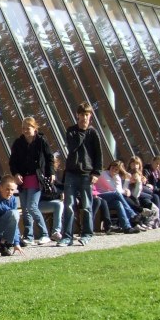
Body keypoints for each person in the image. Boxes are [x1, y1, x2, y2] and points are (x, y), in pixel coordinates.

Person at [60, 103, 102, 246]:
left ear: (90, 116)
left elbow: (98, 154)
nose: (84, 117)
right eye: (82, 114)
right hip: (72, 173)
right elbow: (73, 146)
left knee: (87, 206)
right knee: (69, 205)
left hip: (86, 174)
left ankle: (86, 234)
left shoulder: (93, 133)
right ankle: (67, 236)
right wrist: (81, 131)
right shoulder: (71, 131)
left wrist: (96, 172)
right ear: (77, 115)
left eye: (87, 114)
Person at [8, 117, 54, 245]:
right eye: (23, 128)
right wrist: (16, 174)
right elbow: (13, 162)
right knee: (25, 208)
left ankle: (44, 233)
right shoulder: (18, 143)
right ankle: (28, 235)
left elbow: (49, 158)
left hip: (36, 178)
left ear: (34, 128)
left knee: (31, 206)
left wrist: (51, 173)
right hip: (23, 179)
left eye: (28, 128)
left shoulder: (41, 141)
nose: (25, 131)